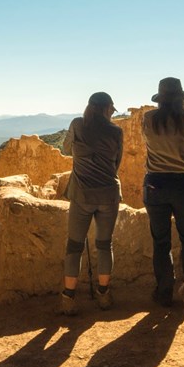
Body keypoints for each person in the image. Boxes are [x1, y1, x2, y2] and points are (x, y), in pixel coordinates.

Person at [141, 77, 184, 307]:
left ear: (160, 99)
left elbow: (148, 146)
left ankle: (164, 291)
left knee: (161, 241)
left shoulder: (148, 119)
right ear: (181, 98)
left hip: (155, 184)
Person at [58, 91, 123, 315]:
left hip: (82, 195)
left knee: (74, 246)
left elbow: (66, 150)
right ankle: (104, 294)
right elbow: (117, 163)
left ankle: (68, 298)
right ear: (107, 109)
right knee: (105, 245)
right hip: (108, 195)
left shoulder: (77, 124)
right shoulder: (116, 131)